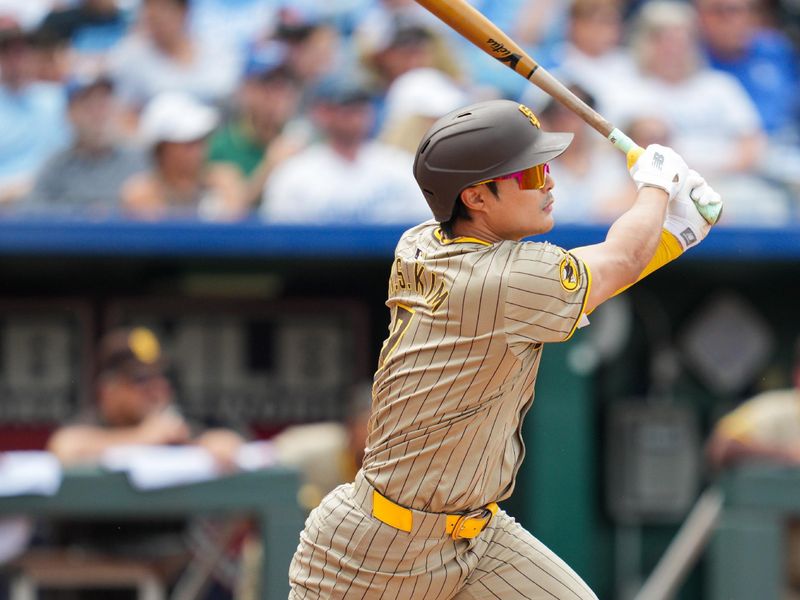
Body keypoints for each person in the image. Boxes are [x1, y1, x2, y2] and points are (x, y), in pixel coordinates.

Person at [288, 99, 722, 597]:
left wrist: (672, 232)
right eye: (532, 172)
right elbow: (619, 259)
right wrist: (656, 187)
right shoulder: (498, 280)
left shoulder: (425, 242)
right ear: (475, 196)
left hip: (479, 536)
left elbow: (596, 274)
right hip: (379, 553)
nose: (550, 181)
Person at [47, 326, 245, 467]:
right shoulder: (92, 424)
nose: (156, 388)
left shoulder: (169, 426)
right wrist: (144, 437)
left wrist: (195, 445)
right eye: (141, 379)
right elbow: (64, 447)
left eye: (163, 377)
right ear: (108, 389)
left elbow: (228, 444)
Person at [260, 75, 430, 224]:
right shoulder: (294, 173)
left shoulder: (400, 166)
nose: (356, 115)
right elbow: (280, 238)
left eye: (361, 106)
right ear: (322, 112)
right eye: (346, 107)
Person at [23, 74, 147, 218]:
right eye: (89, 106)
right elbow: (34, 214)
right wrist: (82, 214)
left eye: (104, 104)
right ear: (70, 114)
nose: (99, 115)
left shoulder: (140, 160)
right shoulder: (56, 167)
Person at [121, 92, 248, 221]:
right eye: (189, 144)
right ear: (161, 150)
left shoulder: (226, 180)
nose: (199, 150)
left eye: (201, 140)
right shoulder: (140, 193)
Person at [208, 44, 304, 206]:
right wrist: (270, 166)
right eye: (269, 84)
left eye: (285, 85)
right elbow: (232, 214)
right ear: (246, 90)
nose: (278, 95)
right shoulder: (221, 146)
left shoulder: (305, 139)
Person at [0, 17, 68, 208]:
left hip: (55, 198)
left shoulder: (57, 99)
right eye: (8, 54)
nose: (17, 62)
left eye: (22, 53)